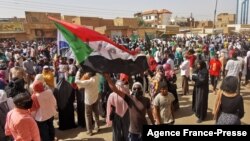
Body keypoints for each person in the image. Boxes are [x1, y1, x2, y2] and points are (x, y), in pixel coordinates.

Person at [103, 74, 154, 141]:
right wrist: (108, 78)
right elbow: (115, 89)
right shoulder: (129, 98)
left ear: (141, 90)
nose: (136, 90)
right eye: (134, 89)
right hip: (133, 131)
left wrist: (153, 123)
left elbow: (150, 114)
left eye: (138, 88)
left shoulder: (146, 100)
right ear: (132, 90)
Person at [75, 71, 100, 136]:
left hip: (88, 100)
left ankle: (89, 131)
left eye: (87, 73)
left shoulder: (88, 82)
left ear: (90, 75)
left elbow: (76, 81)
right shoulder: (97, 76)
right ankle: (97, 127)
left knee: (88, 115)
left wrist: (78, 72)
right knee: (96, 113)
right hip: (96, 97)